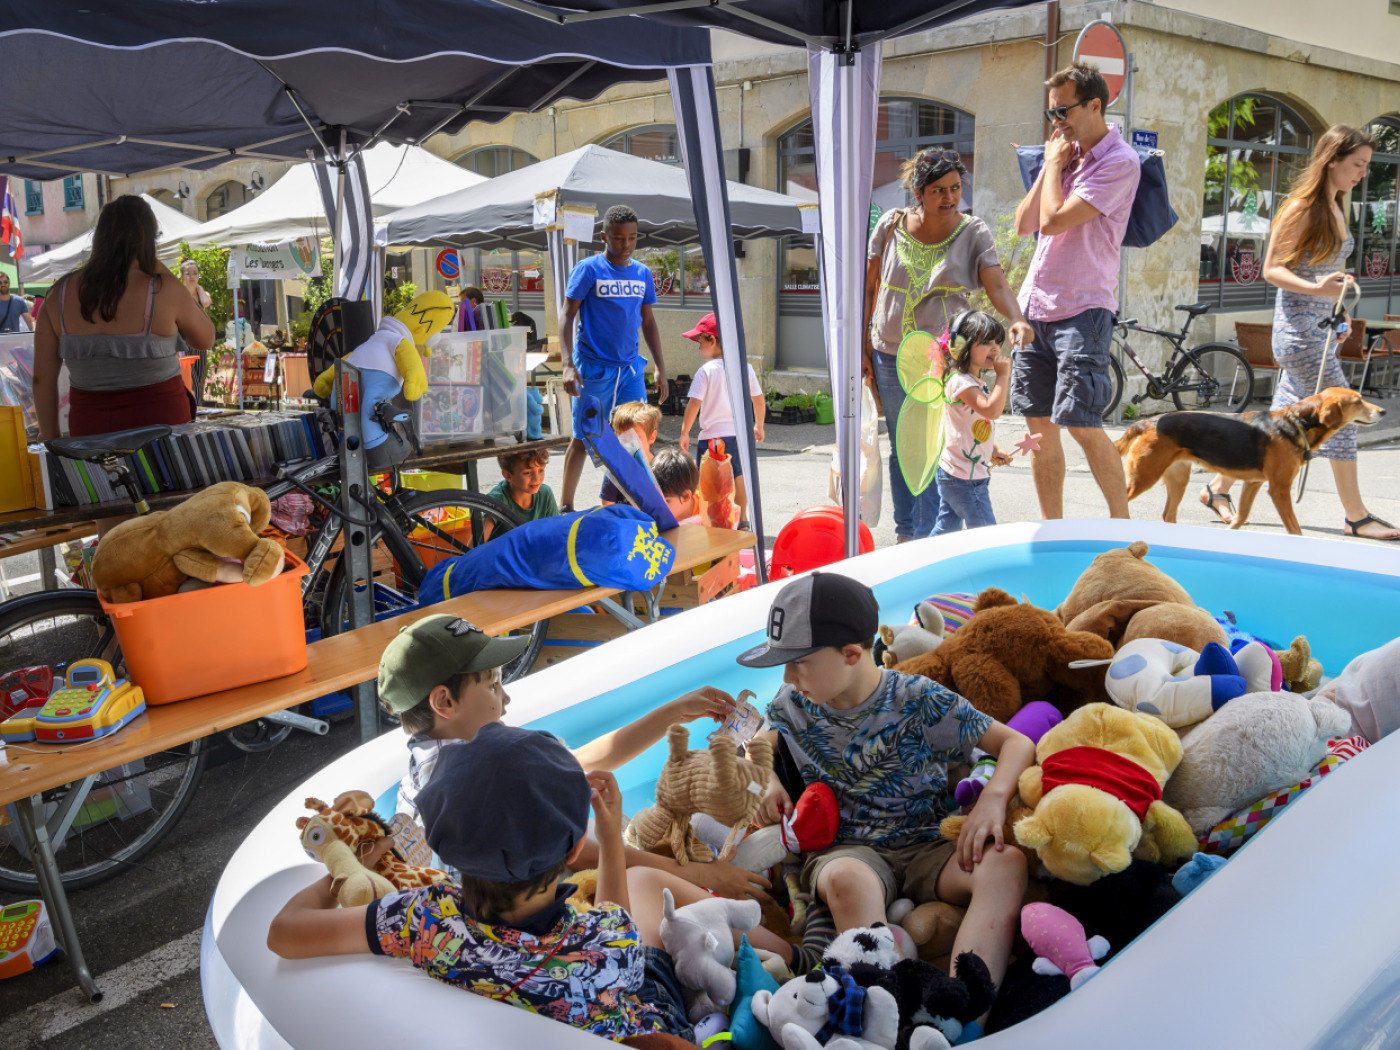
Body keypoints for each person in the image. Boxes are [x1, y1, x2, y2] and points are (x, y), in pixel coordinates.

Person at [268, 721, 695, 1041]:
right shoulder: (604, 947)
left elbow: (283, 934)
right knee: (646, 881)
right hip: (640, 1026)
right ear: (574, 851)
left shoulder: (421, 919)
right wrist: (611, 837)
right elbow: (616, 924)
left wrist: (346, 868)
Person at [739, 572, 1035, 999]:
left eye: (798, 661)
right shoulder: (793, 704)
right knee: (847, 880)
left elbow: (1016, 743)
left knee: (1007, 865)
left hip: (929, 845)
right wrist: (766, 781)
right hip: (847, 852)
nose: (787, 675)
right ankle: (891, 1007)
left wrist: (993, 800)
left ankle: (966, 1007)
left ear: (851, 654)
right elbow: (754, 747)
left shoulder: (919, 698)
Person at [377, 615, 779, 906]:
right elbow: (581, 853)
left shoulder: (447, 755)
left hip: (532, 885)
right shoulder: (473, 779)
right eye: (493, 685)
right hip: (527, 909)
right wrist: (698, 875)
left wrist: (675, 711)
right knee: (650, 880)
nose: (507, 699)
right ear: (444, 702)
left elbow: (576, 763)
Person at [1201, 125, 1400, 542]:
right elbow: (1271, 269)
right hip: (1298, 333)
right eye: (1358, 164)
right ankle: (1356, 516)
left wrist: (1339, 311)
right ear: (1332, 160)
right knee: (1343, 414)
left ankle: (1217, 487)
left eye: (1366, 165)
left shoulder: (1336, 205)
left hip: (1321, 329)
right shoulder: (1301, 207)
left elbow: (1322, 274)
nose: (1363, 173)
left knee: (1274, 426)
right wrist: (1316, 290)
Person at [865, 151, 1034, 543]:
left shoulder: (974, 232)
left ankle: (931, 537)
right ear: (918, 193)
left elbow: (997, 283)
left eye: (956, 188)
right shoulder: (891, 226)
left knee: (939, 443)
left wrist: (1017, 317)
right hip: (889, 352)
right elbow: (869, 288)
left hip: (944, 359)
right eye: (938, 190)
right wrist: (861, 346)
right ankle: (908, 532)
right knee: (904, 444)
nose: (949, 197)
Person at [1012, 61, 1141, 522]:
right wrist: (1052, 167)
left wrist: (1052, 166)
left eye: (1063, 111)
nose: (1056, 122)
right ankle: (1054, 531)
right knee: (1040, 427)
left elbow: (1053, 221)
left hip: (1083, 309)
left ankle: (1122, 530)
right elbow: (1024, 223)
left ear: (1094, 105)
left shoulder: (1119, 161)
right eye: (1051, 113)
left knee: (1082, 424)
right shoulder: (1066, 158)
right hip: (1035, 307)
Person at [33, 195, 214, 439]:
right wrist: (160, 268)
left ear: (99, 237)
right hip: (162, 426)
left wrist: (51, 438)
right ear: (149, 238)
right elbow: (206, 338)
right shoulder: (163, 289)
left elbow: (41, 378)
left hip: (91, 428)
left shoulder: (59, 294)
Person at [559, 205, 667, 512]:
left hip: (630, 370)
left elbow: (648, 321)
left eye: (632, 238)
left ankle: (640, 504)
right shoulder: (589, 269)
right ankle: (565, 505)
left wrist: (660, 367)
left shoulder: (642, 273)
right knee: (584, 437)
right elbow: (567, 315)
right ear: (604, 236)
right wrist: (567, 365)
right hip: (593, 370)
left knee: (637, 435)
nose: (626, 244)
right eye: (619, 238)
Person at [678, 312, 764, 529]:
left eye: (700, 341)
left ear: (713, 340)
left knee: (708, 478)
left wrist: (685, 431)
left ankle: (712, 518)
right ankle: (742, 518)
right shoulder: (745, 368)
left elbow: (694, 404)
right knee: (739, 475)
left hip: (713, 437)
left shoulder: (705, 371)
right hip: (739, 435)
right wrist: (759, 425)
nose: (699, 347)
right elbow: (758, 399)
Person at [933, 311, 1015, 535]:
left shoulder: (972, 381)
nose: (995, 349)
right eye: (986, 343)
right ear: (961, 346)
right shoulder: (961, 382)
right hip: (964, 478)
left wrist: (992, 449)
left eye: (997, 342)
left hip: (958, 473)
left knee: (946, 532)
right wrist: (1003, 376)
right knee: (986, 535)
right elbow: (991, 410)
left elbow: (970, 424)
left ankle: (923, 554)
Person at [599, 400, 661, 507]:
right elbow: (608, 507)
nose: (627, 443)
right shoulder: (615, 472)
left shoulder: (662, 468)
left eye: (635, 437)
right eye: (622, 437)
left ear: (652, 437)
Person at [487, 447, 558, 524]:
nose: (536, 479)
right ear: (508, 475)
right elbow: (483, 531)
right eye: (527, 473)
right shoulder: (497, 499)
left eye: (541, 470)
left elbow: (556, 527)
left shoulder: (545, 493)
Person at [651, 447, 702, 525]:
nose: (657, 507)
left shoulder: (708, 514)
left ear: (685, 496)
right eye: (654, 499)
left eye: (666, 501)